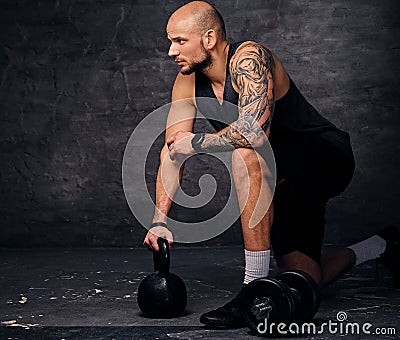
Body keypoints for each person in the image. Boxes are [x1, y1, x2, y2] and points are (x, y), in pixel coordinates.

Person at [143, 1, 400, 329]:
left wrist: (197, 142)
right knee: (304, 283)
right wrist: (159, 221)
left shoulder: (249, 59)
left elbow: (252, 132)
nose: (170, 51)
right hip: (278, 179)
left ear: (208, 39)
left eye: (179, 41)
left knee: (244, 151)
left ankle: (252, 290)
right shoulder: (187, 82)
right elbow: (173, 150)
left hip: (321, 156)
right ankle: (383, 244)